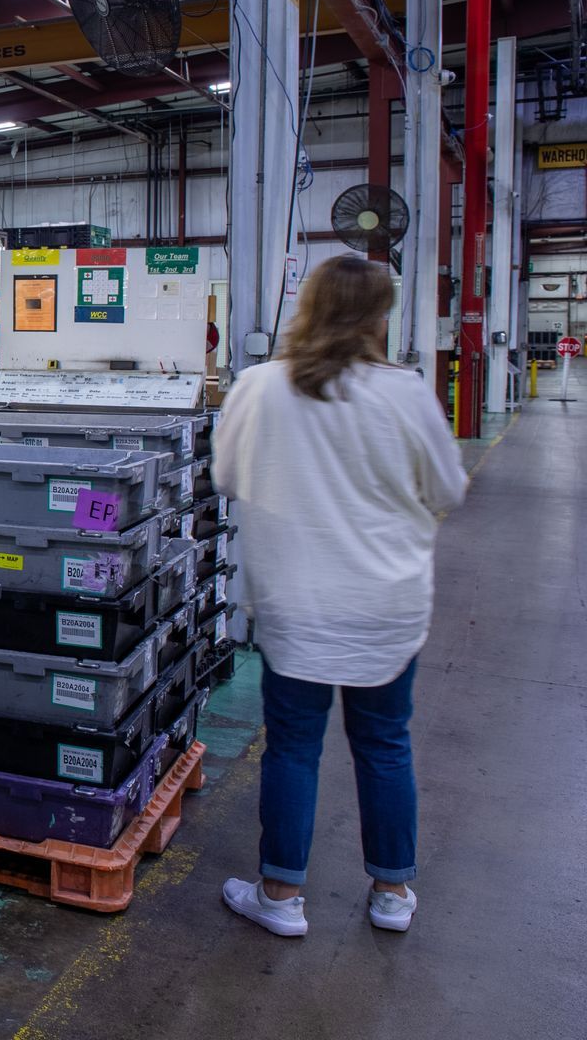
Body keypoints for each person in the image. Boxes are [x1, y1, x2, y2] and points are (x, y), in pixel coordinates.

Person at [213, 255, 467, 937]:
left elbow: (228, 475)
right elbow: (449, 489)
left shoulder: (260, 387)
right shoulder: (407, 392)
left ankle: (280, 896)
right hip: (387, 605)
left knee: (293, 747)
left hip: (297, 603)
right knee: (384, 744)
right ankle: (391, 894)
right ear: (381, 317)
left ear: (307, 307)